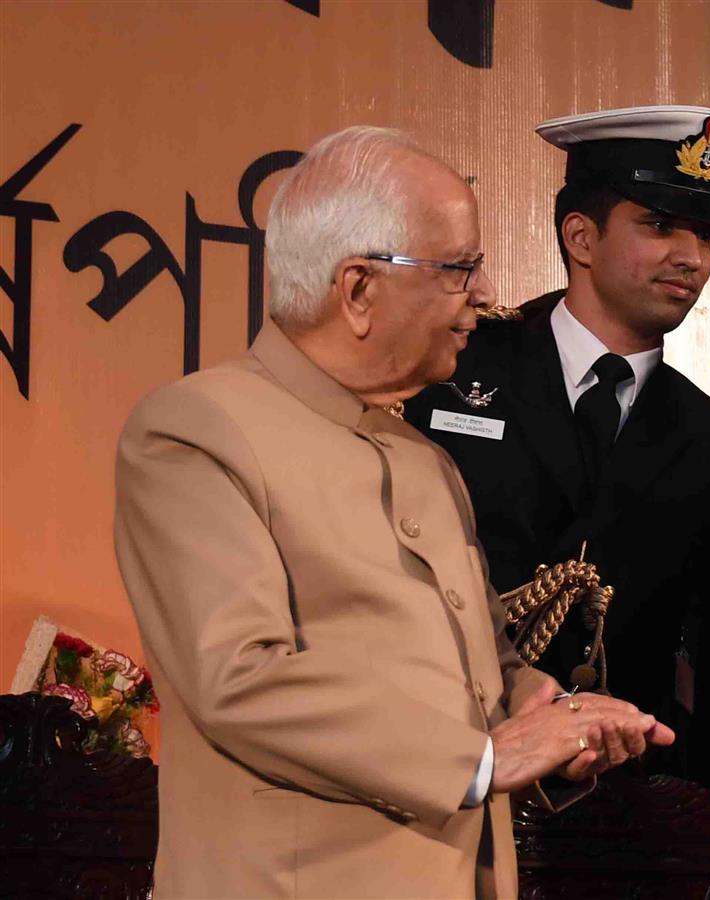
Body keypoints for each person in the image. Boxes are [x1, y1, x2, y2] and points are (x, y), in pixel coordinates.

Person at [114, 126, 672, 898]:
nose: (481, 292)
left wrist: (545, 710)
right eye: (458, 268)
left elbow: (486, 666)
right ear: (358, 289)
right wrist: (483, 761)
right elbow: (239, 678)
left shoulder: (423, 456)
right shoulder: (195, 430)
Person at [404, 105, 710, 826]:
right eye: (660, 225)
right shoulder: (448, 365)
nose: (691, 257)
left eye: (703, 234)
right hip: (440, 787)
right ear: (580, 235)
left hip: (620, 819)